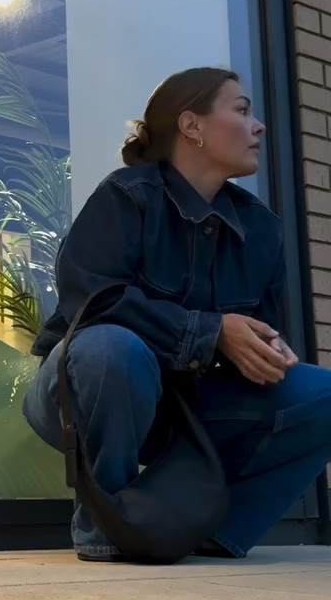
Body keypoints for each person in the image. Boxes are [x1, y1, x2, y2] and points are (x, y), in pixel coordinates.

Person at [23, 67, 331, 561]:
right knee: (112, 346)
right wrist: (210, 331)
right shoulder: (127, 196)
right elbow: (94, 300)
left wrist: (265, 350)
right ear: (193, 126)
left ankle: (211, 528)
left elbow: (258, 336)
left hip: (189, 407)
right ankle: (108, 526)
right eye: (242, 110)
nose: (259, 126)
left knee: (323, 395)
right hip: (83, 390)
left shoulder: (262, 230)